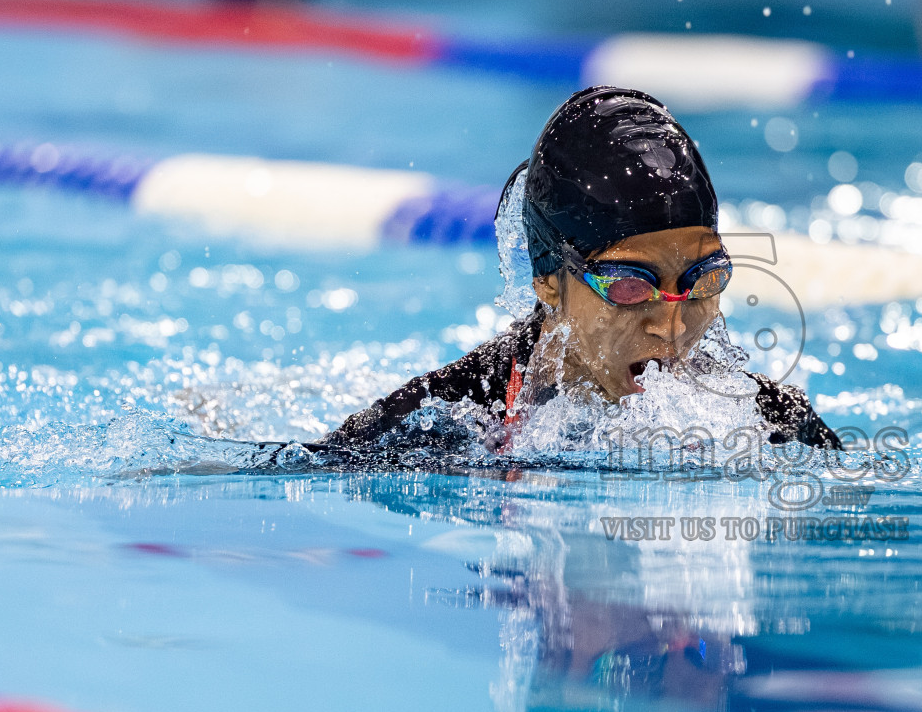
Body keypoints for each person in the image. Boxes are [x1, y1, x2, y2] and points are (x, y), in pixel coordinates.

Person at [323, 86, 841, 453]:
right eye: (630, 285)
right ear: (549, 281)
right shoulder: (442, 418)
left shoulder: (767, 421)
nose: (672, 325)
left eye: (702, 279)